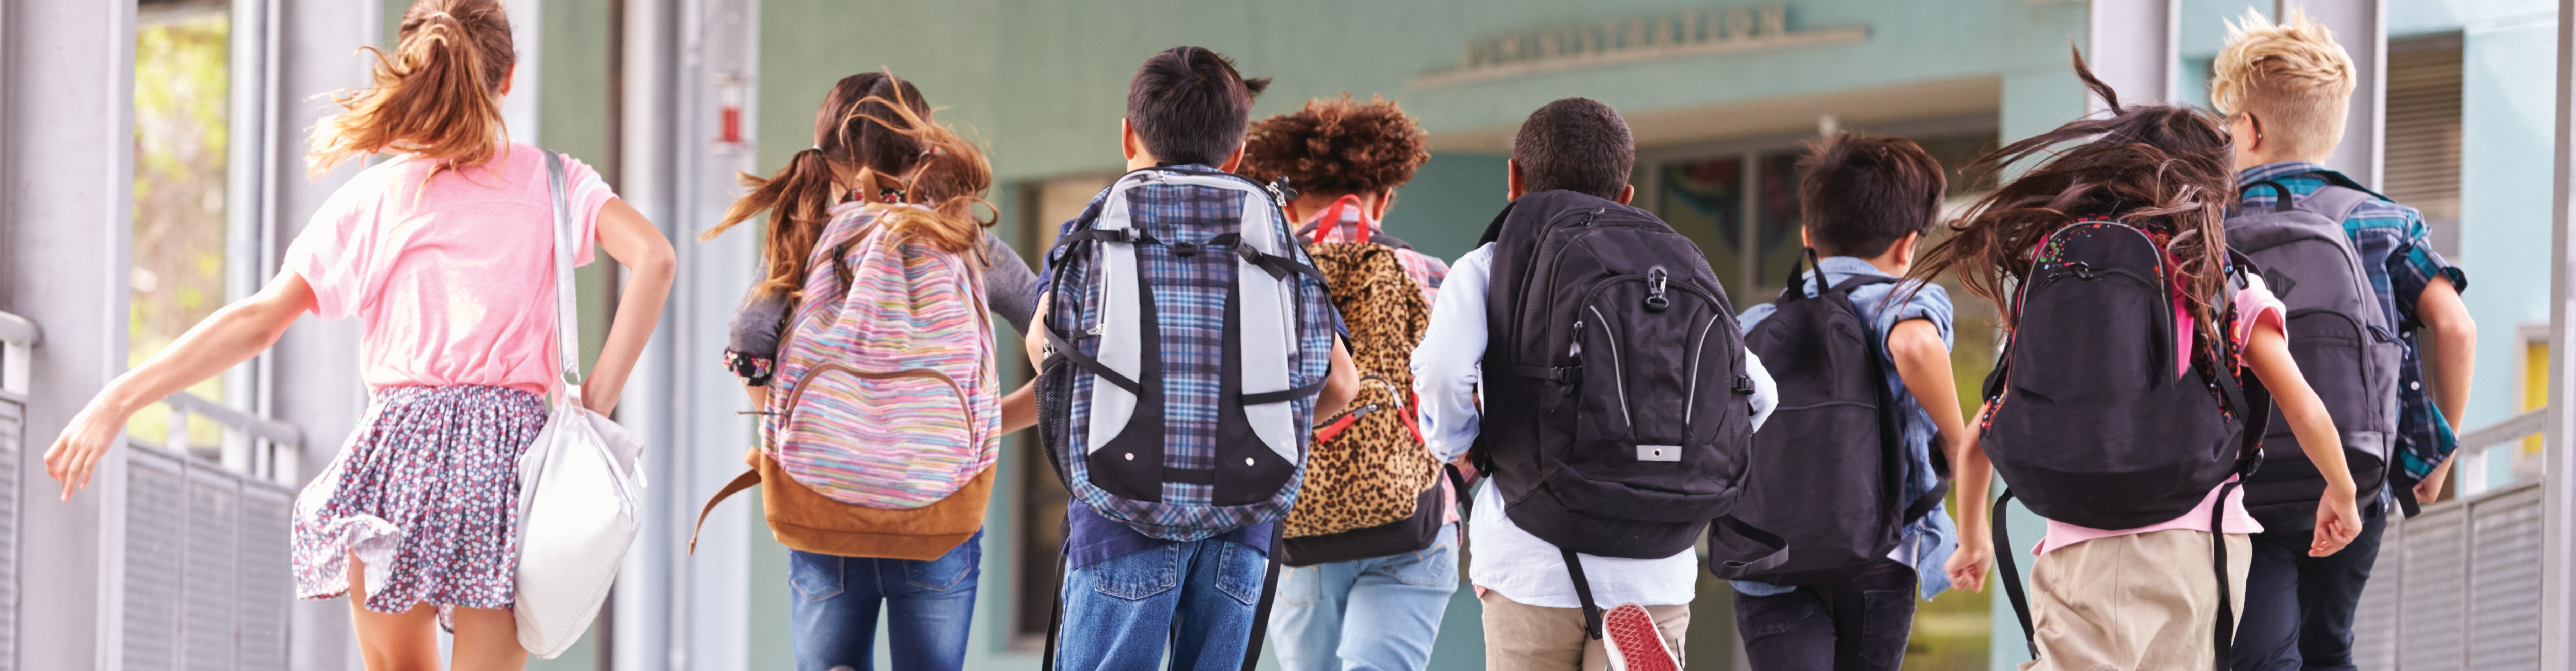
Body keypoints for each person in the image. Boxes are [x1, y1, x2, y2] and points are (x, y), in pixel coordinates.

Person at [41, 1, 676, 668]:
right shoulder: (554, 182)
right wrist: (590, 407)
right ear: (508, 78)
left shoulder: (377, 198)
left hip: (398, 456)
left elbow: (258, 321)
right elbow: (655, 259)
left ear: (413, 71)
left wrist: (118, 398)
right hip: (508, 460)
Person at [1910, 55, 2363, 671]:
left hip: (2073, 548)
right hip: (2193, 541)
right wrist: (2341, 489)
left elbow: (1981, 435)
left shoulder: (2059, 270)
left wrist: (1973, 538)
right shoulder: (2221, 281)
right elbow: (2301, 401)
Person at [1413, 97, 1779, 671]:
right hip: (1657, 564)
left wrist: (1462, 447)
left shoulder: (1490, 266)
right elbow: (1762, 394)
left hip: (1532, 553)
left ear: (1514, 179)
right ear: (1627, 193)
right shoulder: (1676, 267)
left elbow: (1440, 372)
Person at [1025, 46, 1359, 671]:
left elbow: (1046, 351)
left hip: (1118, 518)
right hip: (1245, 521)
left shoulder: (1095, 228)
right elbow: (1340, 383)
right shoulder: (1271, 232)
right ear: (1237, 153)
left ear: (1129, 135)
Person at [703, 72, 1040, 671]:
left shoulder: (805, 237)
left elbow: (748, 341)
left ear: (823, 153)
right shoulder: (964, 241)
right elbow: (1061, 348)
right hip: (941, 505)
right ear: (927, 151)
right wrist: (989, 425)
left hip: (821, 502)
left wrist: (779, 433)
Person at [2210, 11, 2477, 671]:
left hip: (2243, 481)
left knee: (2260, 652)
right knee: (2330, 644)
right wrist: (2438, 449)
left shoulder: (2210, 229)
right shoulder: (2385, 222)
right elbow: (2454, 326)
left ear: (2250, 126)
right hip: (2359, 477)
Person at [1729, 133, 1994, 670]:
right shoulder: (1905, 300)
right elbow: (1915, 345)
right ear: (1908, 244)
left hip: (1771, 557)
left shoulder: (1755, 325)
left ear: (1807, 235)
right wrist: (1954, 438)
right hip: (1878, 555)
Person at [1236, 93, 1455, 671]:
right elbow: (1466, 394)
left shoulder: (1259, 281)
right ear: (1383, 195)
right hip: (1415, 521)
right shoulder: (1432, 276)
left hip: (1298, 526)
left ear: (1288, 205)